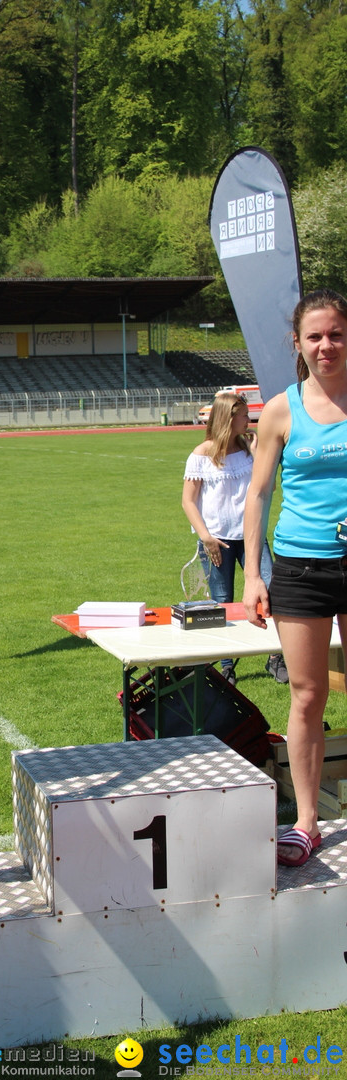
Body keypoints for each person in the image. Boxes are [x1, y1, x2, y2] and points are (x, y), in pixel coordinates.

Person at [243, 288, 347, 867]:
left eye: (335, 333)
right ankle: (307, 821)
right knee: (307, 695)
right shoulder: (282, 408)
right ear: (298, 344)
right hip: (301, 568)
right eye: (315, 336)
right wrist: (253, 575)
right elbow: (258, 495)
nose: (326, 345)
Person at [182, 391, 286, 684]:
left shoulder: (250, 448)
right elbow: (188, 501)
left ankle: (275, 657)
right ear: (228, 418)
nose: (248, 419)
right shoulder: (201, 454)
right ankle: (226, 666)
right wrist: (206, 538)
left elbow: (270, 490)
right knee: (222, 602)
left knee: (271, 593)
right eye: (242, 414)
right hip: (217, 540)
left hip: (252, 536)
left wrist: (255, 453)